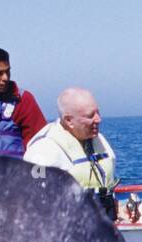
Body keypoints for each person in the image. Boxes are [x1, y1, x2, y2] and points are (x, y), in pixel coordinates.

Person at [24, 88, 120, 219]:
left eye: (98, 112)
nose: (98, 119)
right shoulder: (42, 152)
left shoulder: (100, 141)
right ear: (69, 120)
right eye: (90, 115)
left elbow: (109, 185)